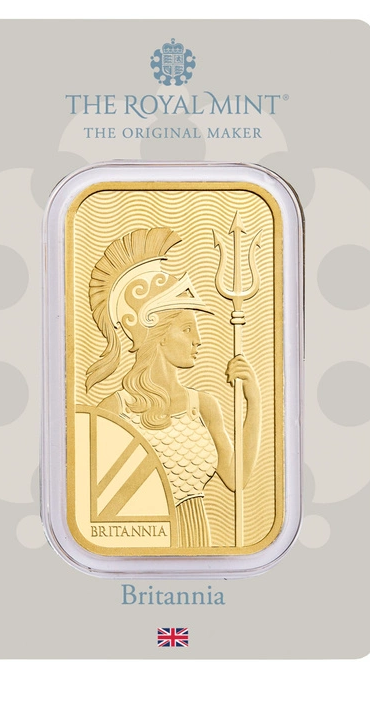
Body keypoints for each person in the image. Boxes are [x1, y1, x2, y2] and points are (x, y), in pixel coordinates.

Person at [87, 227, 260, 547]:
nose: (198, 340)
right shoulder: (113, 410)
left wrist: (255, 402)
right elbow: (93, 494)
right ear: (159, 335)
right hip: (143, 542)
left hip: (199, 539)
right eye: (187, 329)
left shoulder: (204, 405)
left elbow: (237, 479)